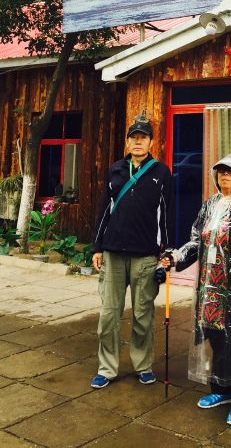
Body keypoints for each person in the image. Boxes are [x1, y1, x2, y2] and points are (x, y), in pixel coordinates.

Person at [163, 151, 231, 426]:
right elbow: (196, 240)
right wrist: (175, 257)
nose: (225, 175)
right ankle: (221, 390)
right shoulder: (209, 205)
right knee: (216, 339)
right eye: (221, 171)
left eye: (230, 172)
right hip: (210, 287)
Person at [90, 112, 173, 389]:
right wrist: (97, 247)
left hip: (145, 256)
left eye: (143, 137)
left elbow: (166, 215)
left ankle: (143, 365)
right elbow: (104, 211)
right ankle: (107, 368)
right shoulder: (115, 170)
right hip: (113, 253)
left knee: (142, 315)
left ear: (151, 142)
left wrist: (166, 252)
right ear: (127, 142)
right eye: (133, 137)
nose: (138, 142)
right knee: (109, 314)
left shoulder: (161, 173)